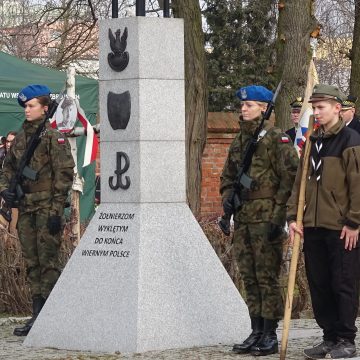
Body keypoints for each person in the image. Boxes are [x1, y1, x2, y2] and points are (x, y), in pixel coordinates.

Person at [220, 85, 299, 356]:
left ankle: (269, 333)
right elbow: (227, 177)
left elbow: (290, 179)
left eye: (250, 105)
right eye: (242, 105)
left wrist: (280, 217)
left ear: (264, 108)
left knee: (267, 277)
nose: (243, 109)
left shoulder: (277, 140)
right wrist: (227, 205)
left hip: (267, 218)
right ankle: (255, 330)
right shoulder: (239, 142)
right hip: (243, 218)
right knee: (249, 276)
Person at [287, 84, 360, 359]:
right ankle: (329, 337)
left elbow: (357, 184)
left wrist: (354, 222)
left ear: (337, 108)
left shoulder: (350, 140)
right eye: (314, 108)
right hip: (313, 225)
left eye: (321, 107)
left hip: (341, 226)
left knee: (343, 282)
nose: (315, 112)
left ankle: (346, 339)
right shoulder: (312, 141)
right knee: (319, 283)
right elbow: (300, 183)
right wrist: (294, 217)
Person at [0, 84, 75, 336]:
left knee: (48, 263)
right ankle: (37, 315)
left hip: (46, 209)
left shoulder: (53, 136)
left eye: (31, 106)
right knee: (32, 263)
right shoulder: (21, 137)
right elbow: (8, 169)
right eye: (25, 106)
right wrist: (5, 190)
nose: (27, 111)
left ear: (45, 108)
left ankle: (52, 316)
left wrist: (56, 212)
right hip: (26, 208)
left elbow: (63, 176)